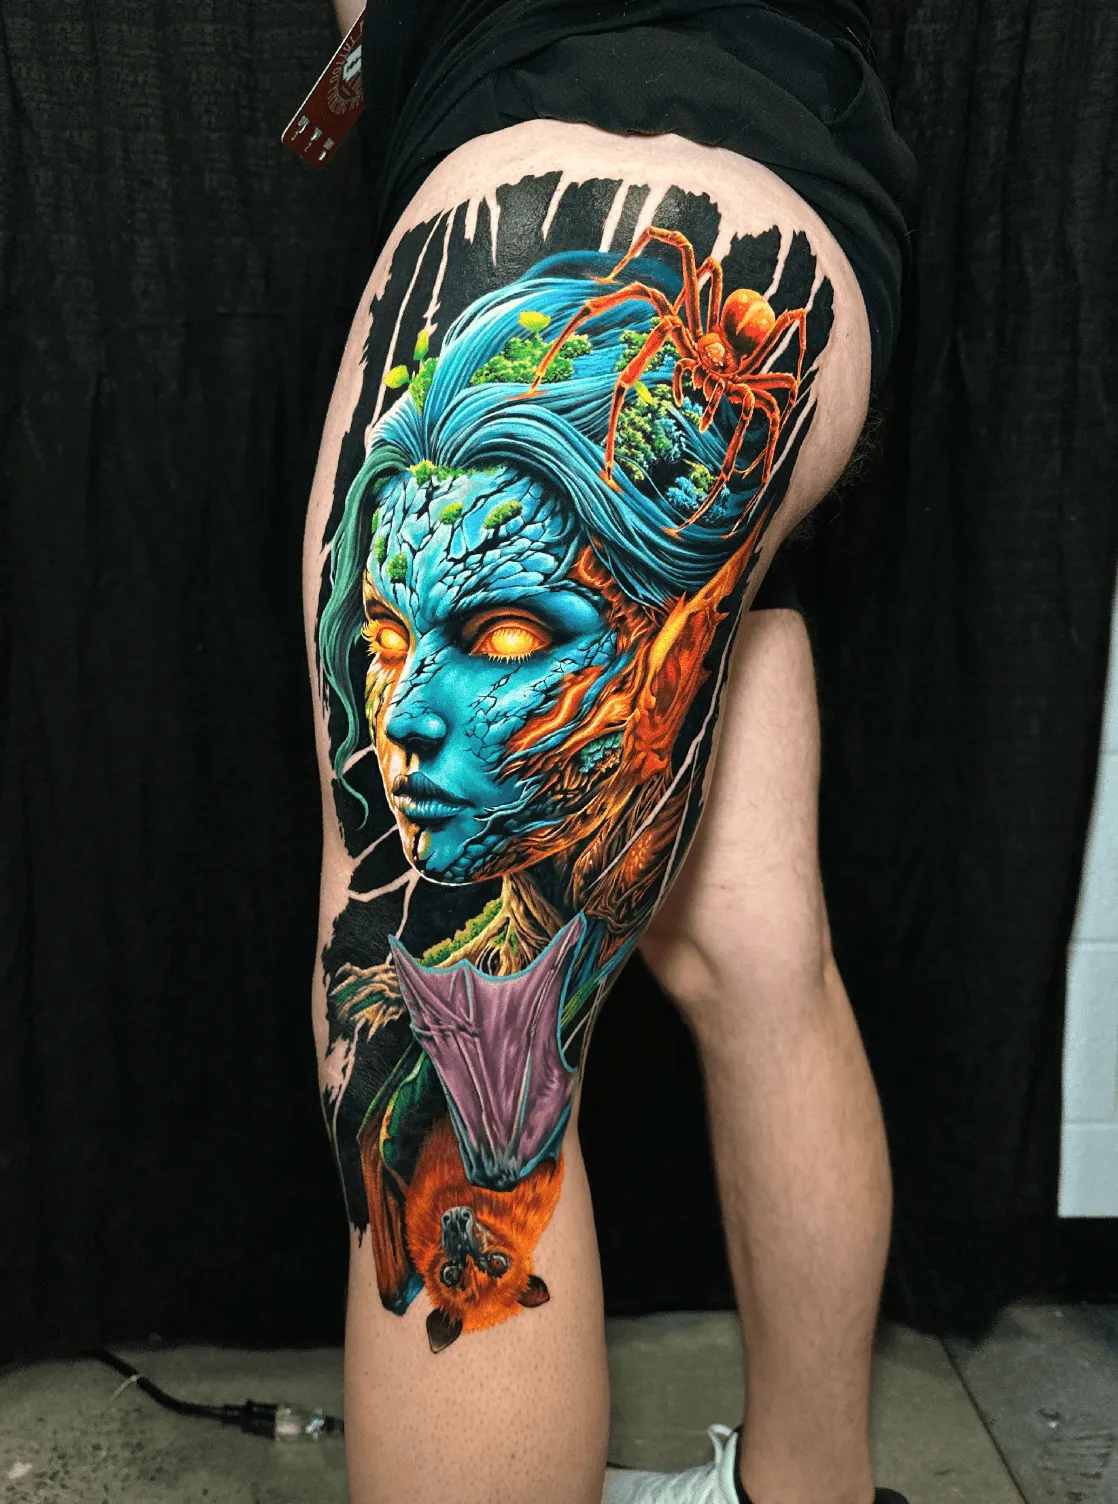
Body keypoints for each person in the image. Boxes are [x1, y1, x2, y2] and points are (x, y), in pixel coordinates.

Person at [303, 4, 917, 1501]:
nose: (407, 720)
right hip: (810, 197)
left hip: (539, 184)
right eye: (388, 636)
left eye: (501, 637)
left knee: (443, 1023)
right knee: (750, 939)